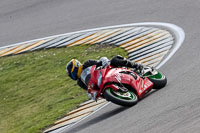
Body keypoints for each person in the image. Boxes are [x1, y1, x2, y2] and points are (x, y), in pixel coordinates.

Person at [66, 55, 143, 100]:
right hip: (100, 84)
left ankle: (136, 65)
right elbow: (88, 90)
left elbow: (100, 61)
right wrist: (91, 94)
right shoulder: (80, 82)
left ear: (76, 67)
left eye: (73, 73)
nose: (73, 76)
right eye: (71, 76)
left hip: (106, 72)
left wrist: (104, 61)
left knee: (115, 59)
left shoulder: (87, 63)